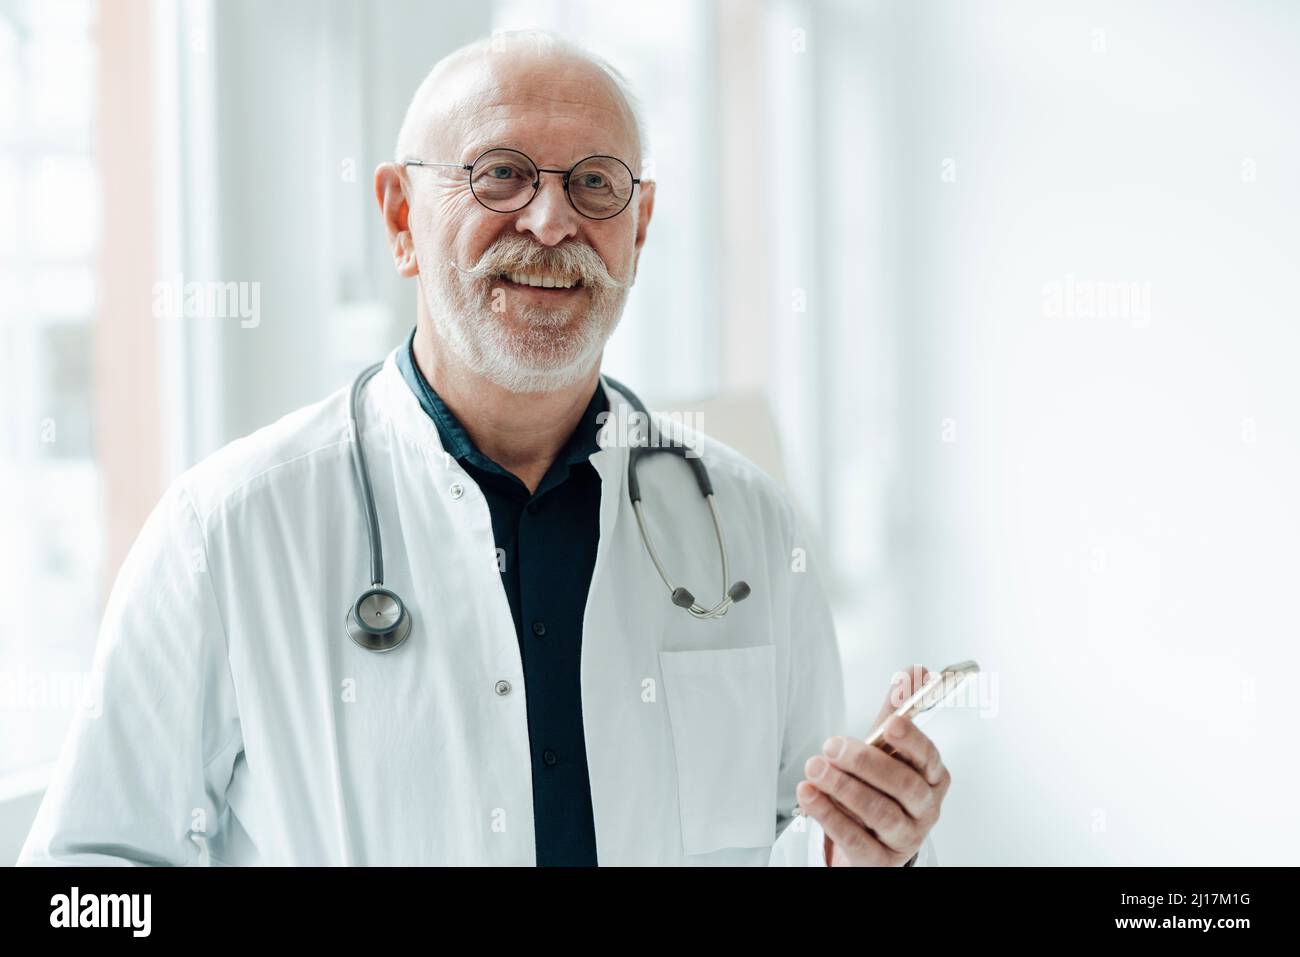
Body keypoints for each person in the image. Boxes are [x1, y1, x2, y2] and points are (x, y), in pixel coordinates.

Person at [19, 30, 947, 867]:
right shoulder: (226, 531)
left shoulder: (745, 523)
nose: (551, 222)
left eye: (594, 182)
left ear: (641, 224)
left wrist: (871, 852)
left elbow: (805, 842)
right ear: (398, 216)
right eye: (500, 174)